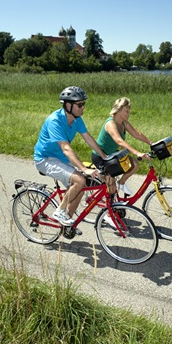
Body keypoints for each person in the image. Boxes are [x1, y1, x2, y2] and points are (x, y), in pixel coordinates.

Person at [34, 86, 107, 236]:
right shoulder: (55, 120)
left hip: (59, 158)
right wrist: (84, 169)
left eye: (83, 104)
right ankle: (60, 211)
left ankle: (66, 224)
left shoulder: (76, 119)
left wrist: (104, 156)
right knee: (80, 179)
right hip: (45, 159)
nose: (83, 107)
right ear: (68, 105)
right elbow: (66, 148)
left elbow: (88, 138)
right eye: (80, 104)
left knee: (80, 186)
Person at [91, 96, 154, 196]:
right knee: (111, 187)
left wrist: (151, 143)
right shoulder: (110, 123)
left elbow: (137, 134)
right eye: (126, 111)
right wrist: (136, 152)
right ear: (118, 110)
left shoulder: (123, 123)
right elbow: (119, 141)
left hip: (113, 155)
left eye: (129, 111)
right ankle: (110, 209)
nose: (128, 113)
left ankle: (121, 183)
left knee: (134, 164)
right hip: (101, 157)